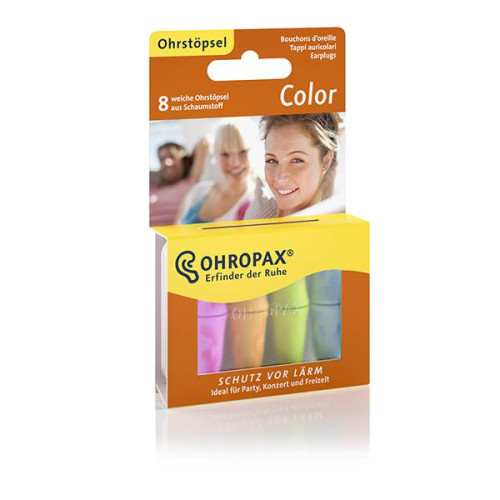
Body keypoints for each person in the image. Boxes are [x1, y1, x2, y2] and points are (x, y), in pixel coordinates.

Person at [244, 113, 343, 220]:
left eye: (296, 160)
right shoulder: (260, 209)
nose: (280, 179)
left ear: (326, 161)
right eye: (272, 160)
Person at [176, 119, 255, 224]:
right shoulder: (198, 191)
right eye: (225, 154)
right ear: (216, 155)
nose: (235, 163)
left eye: (242, 152)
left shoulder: (255, 203)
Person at [149, 139, 208, 226]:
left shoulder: (189, 182)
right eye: (162, 159)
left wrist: (189, 160)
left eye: (172, 157)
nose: (167, 162)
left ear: (184, 160)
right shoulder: (152, 186)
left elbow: (203, 143)